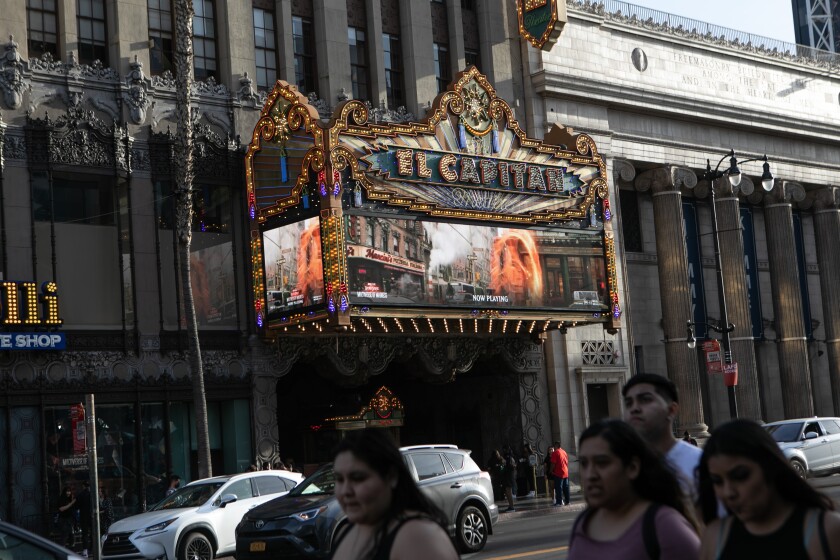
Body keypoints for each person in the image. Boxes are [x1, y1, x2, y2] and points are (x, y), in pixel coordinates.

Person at [697, 419, 840, 560]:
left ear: (770, 467)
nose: (728, 492)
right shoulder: (715, 538)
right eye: (718, 481)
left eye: (740, 476)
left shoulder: (827, 531)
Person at [568, 419, 701, 560]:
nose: (590, 475)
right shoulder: (583, 521)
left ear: (632, 467)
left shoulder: (665, 527)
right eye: (584, 463)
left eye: (602, 463)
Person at [330, 428, 459, 560]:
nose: (346, 491)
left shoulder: (417, 536)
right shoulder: (344, 532)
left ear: (391, 477)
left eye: (358, 478)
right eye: (339, 479)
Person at [623, 373, 703, 503]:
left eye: (645, 400)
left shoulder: (700, 463)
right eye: (628, 403)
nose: (634, 408)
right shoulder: (619, 466)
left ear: (671, 410)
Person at [550, 440, 570, 506]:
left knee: (558, 488)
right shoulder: (564, 452)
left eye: (554, 446)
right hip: (565, 472)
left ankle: (559, 502)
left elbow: (553, 463)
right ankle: (567, 501)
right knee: (566, 488)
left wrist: (551, 470)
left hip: (559, 473)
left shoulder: (555, 453)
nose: (554, 447)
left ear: (556, 446)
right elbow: (567, 462)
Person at [75, 481, 92, 554]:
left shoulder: (80, 495)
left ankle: (85, 550)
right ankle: (92, 548)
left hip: (83, 516)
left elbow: (77, 506)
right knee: (93, 533)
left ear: (83, 486)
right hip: (92, 516)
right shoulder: (93, 494)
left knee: (84, 534)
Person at [501, 445, 518, 512]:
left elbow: (508, 466)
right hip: (508, 475)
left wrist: (503, 463)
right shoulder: (509, 457)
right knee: (508, 491)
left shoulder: (508, 457)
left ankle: (512, 506)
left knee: (509, 491)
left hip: (508, 476)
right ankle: (510, 506)